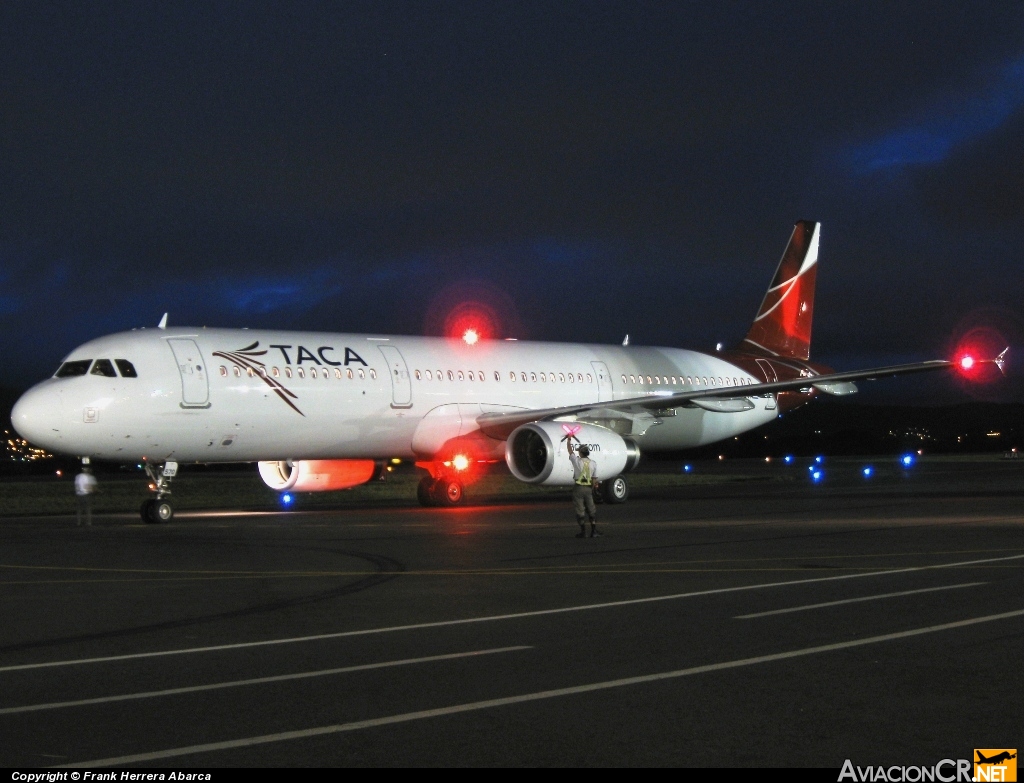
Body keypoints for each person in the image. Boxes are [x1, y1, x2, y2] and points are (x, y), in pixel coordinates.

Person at [567, 438, 601, 537]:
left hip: (578, 488)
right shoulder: (593, 463)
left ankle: (583, 531)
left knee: (580, 510)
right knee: (591, 509)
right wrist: (593, 488)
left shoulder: (576, 461)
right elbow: (594, 478)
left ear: (581, 453)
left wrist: (569, 441)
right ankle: (594, 531)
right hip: (588, 488)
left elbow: (570, 451)